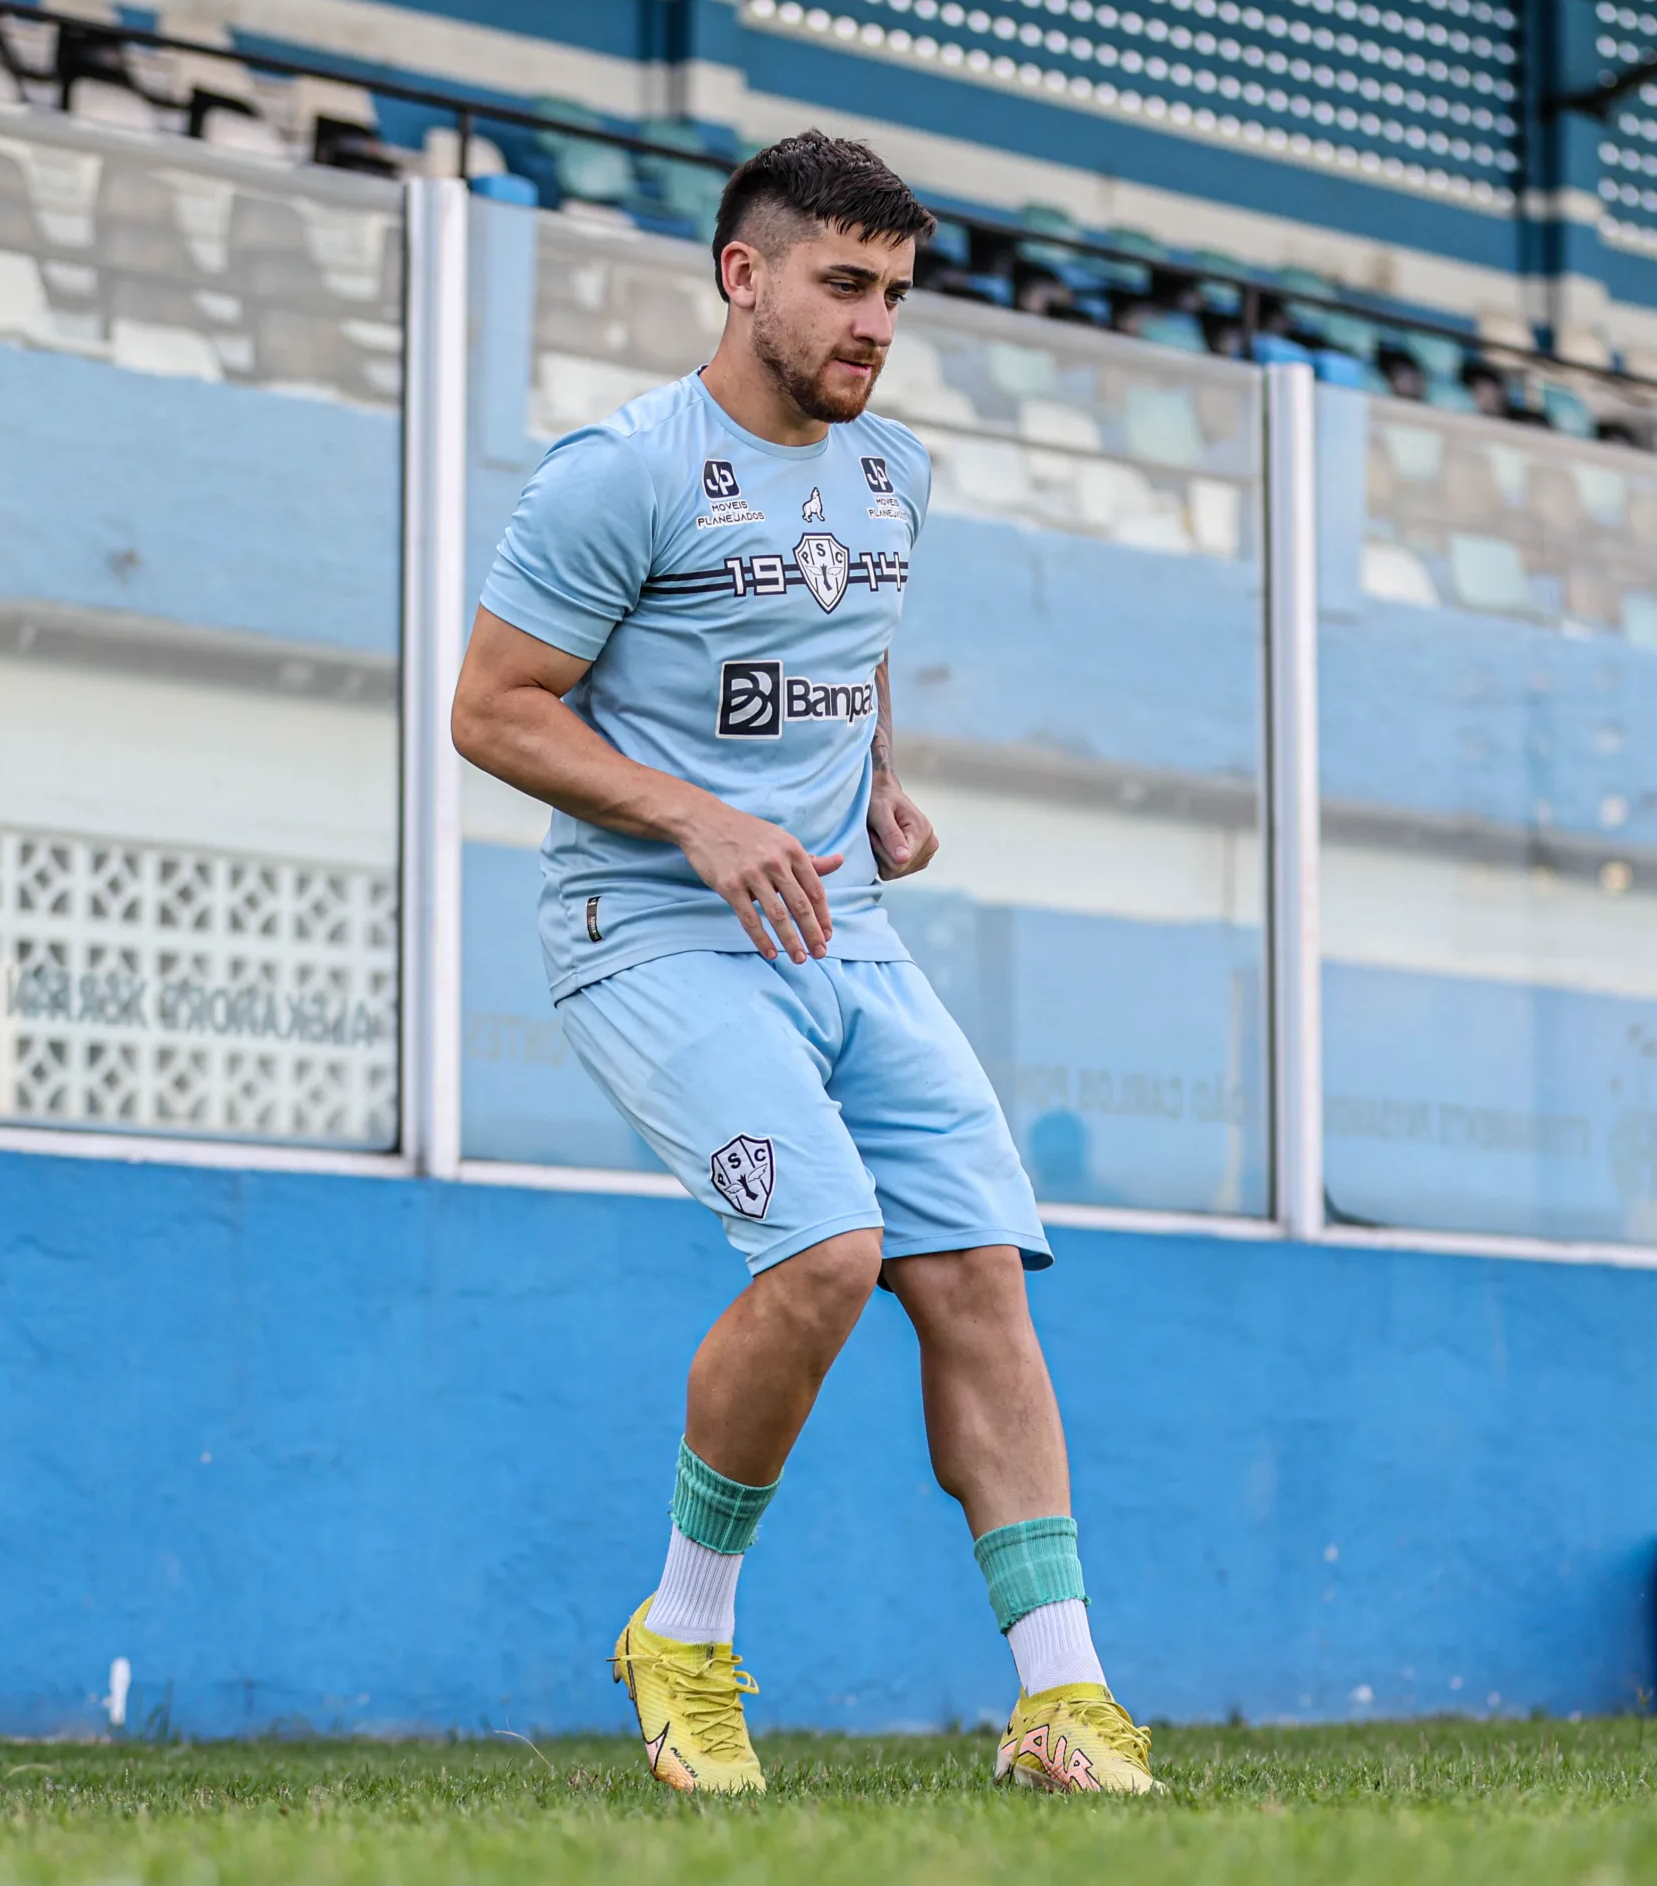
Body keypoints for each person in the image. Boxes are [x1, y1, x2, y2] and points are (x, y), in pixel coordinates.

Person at [450, 131, 1158, 1795]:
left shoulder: (894, 472)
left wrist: (880, 783)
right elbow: (492, 709)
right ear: (741, 274)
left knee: (976, 1271)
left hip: (845, 929)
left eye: (896, 295)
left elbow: (850, 641)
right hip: (655, 935)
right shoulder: (616, 472)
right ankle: (685, 1633)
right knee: (831, 1251)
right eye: (844, 286)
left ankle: (1062, 1697)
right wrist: (697, 818)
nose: (874, 326)